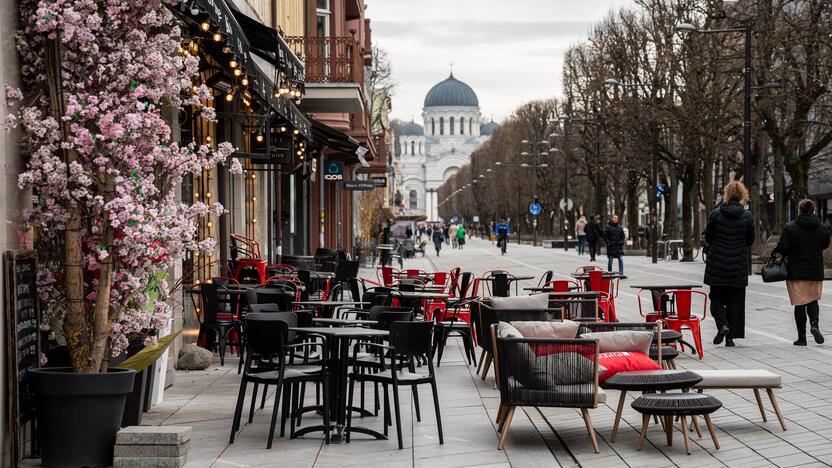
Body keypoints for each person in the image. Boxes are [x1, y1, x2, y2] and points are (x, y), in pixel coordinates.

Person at [773, 199, 830, 346]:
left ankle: (802, 338)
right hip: (814, 270)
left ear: (799, 210)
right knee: (813, 300)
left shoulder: (790, 227)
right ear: (813, 210)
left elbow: (783, 248)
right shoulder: (822, 227)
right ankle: (814, 325)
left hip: (796, 271)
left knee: (799, 303)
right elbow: (825, 244)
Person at [704, 181, 754, 347]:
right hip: (738, 265)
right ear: (741, 195)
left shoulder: (716, 214)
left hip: (717, 264)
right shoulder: (747, 216)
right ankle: (730, 337)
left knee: (716, 298)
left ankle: (722, 325)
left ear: (726, 194)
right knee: (735, 302)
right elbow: (750, 240)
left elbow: (709, 237)